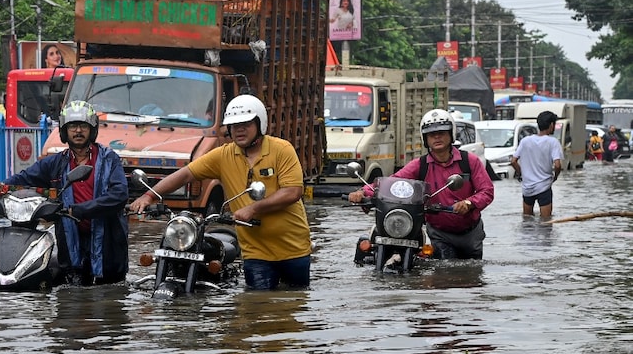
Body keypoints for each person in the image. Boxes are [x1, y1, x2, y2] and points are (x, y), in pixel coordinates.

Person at [129, 94, 312, 290]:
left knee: (295, 302)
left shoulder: (282, 150)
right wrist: (149, 196)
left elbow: (293, 191)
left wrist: (253, 209)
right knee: (258, 307)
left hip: (293, 248)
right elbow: (185, 175)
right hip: (256, 252)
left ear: (260, 124)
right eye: (234, 126)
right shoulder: (223, 155)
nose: (239, 130)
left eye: (245, 124)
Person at [0, 101, 129, 285]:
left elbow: (119, 195)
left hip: (108, 240)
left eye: (83, 126)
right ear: (63, 131)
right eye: (72, 126)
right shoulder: (55, 163)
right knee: (71, 292)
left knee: (110, 292)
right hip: (70, 239)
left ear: (92, 129)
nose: (77, 131)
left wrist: (79, 210)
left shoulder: (109, 160)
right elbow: (20, 180)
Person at [348, 108, 495, 259]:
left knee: (472, 274)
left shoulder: (469, 161)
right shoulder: (420, 165)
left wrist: (469, 203)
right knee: (443, 272)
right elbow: (392, 182)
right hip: (439, 234)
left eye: (442, 132)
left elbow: (487, 191)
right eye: (431, 134)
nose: (437, 137)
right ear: (425, 138)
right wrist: (363, 192)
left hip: (470, 232)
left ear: (451, 134)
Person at [510, 111, 563, 220]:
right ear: (552, 125)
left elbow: (513, 161)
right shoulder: (553, 142)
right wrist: (555, 176)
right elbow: (557, 165)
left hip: (527, 187)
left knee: (527, 221)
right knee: (546, 222)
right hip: (544, 187)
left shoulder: (525, 141)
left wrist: (521, 174)